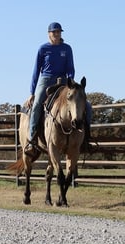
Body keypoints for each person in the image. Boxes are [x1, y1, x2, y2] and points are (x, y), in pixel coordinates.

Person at [24, 22, 92, 155]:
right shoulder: (43, 49)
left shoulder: (67, 48)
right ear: (49, 34)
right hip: (46, 79)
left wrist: (70, 82)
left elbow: (71, 67)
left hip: (63, 80)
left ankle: (85, 139)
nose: (56, 34)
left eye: (58, 32)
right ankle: (31, 140)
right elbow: (36, 70)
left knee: (87, 106)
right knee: (37, 104)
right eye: (54, 32)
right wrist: (32, 92)